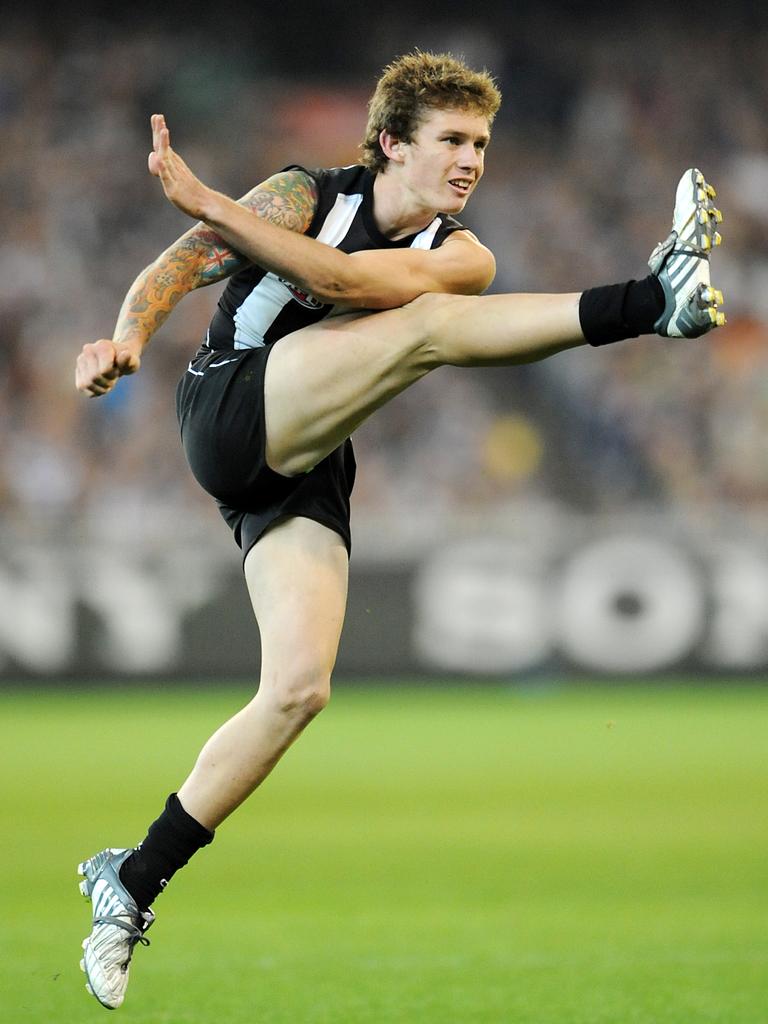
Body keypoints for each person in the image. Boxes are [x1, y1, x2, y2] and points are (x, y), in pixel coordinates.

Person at [74, 51, 725, 1010]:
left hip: (305, 461)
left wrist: (212, 200)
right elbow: (177, 270)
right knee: (427, 330)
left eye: (482, 145)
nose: (471, 161)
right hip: (229, 409)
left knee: (299, 690)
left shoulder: (466, 256)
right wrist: (127, 334)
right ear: (389, 145)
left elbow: (340, 279)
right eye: (452, 141)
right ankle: (650, 300)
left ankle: (129, 882)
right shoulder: (302, 192)